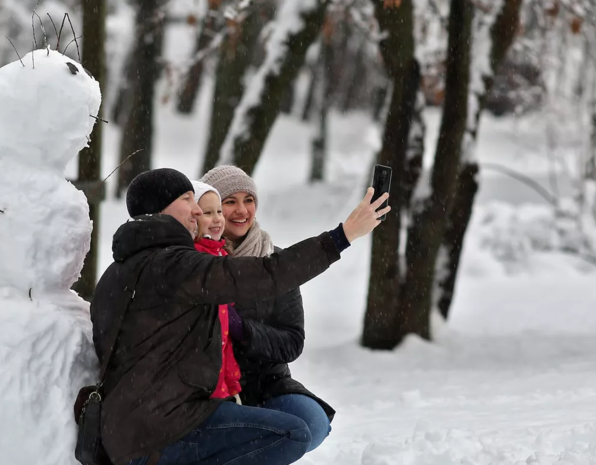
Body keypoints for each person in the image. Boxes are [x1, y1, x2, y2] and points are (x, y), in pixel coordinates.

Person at [90, 168, 389, 465]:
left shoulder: (122, 269)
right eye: (187, 199)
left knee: (304, 424)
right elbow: (268, 273)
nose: (198, 211)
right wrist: (341, 237)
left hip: (133, 429)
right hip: (159, 432)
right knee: (293, 433)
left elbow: (288, 336)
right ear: (160, 208)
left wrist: (243, 332)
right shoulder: (176, 266)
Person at [200, 165, 332, 452]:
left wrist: (243, 331)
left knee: (312, 424)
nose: (241, 211)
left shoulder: (276, 262)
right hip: (211, 390)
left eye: (248, 200)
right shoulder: (197, 262)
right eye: (229, 201)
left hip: (267, 385)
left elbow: (292, 342)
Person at [190, 180, 242, 402]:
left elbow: (225, 338)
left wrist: (232, 384)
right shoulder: (193, 259)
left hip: (220, 383)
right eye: (208, 212)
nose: (217, 219)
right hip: (200, 385)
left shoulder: (222, 257)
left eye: (219, 211)